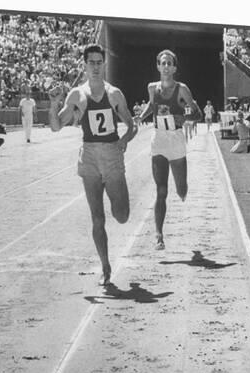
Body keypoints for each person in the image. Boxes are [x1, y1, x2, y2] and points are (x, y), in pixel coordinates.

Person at [48, 44, 138, 286]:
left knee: (121, 215)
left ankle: (116, 198)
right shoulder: (77, 95)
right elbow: (56, 126)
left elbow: (132, 125)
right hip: (88, 156)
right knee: (97, 218)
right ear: (85, 65)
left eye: (100, 62)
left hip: (111, 155)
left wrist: (124, 139)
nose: (96, 67)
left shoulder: (114, 94)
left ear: (104, 64)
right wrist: (55, 103)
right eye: (92, 63)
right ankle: (105, 267)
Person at [136, 49, 202, 250]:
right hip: (159, 140)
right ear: (157, 66)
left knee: (181, 188)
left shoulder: (182, 89)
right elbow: (151, 104)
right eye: (162, 63)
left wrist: (185, 118)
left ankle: (182, 189)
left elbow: (197, 113)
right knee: (161, 190)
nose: (165, 66)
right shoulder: (151, 87)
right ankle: (159, 235)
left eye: (169, 63)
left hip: (176, 140)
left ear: (174, 68)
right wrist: (142, 116)